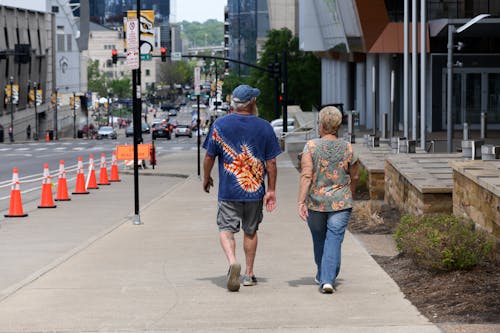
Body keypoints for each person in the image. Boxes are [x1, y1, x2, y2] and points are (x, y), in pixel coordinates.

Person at [202, 84, 281, 292]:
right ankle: (249, 273)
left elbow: (209, 156)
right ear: (252, 102)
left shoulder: (219, 125)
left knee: (226, 230)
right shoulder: (265, 127)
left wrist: (206, 177)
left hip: (228, 191)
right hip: (255, 192)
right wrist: (271, 189)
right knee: (251, 231)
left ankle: (231, 262)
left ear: (234, 104)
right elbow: (271, 163)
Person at [297, 106, 359, 294]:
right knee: (334, 238)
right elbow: (355, 176)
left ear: (322, 125)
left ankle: (326, 277)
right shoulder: (347, 147)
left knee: (320, 239)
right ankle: (327, 276)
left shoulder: (311, 146)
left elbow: (306, 176)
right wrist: (351, 194)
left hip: (316, 202)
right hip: (341, 201)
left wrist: (301, 201)